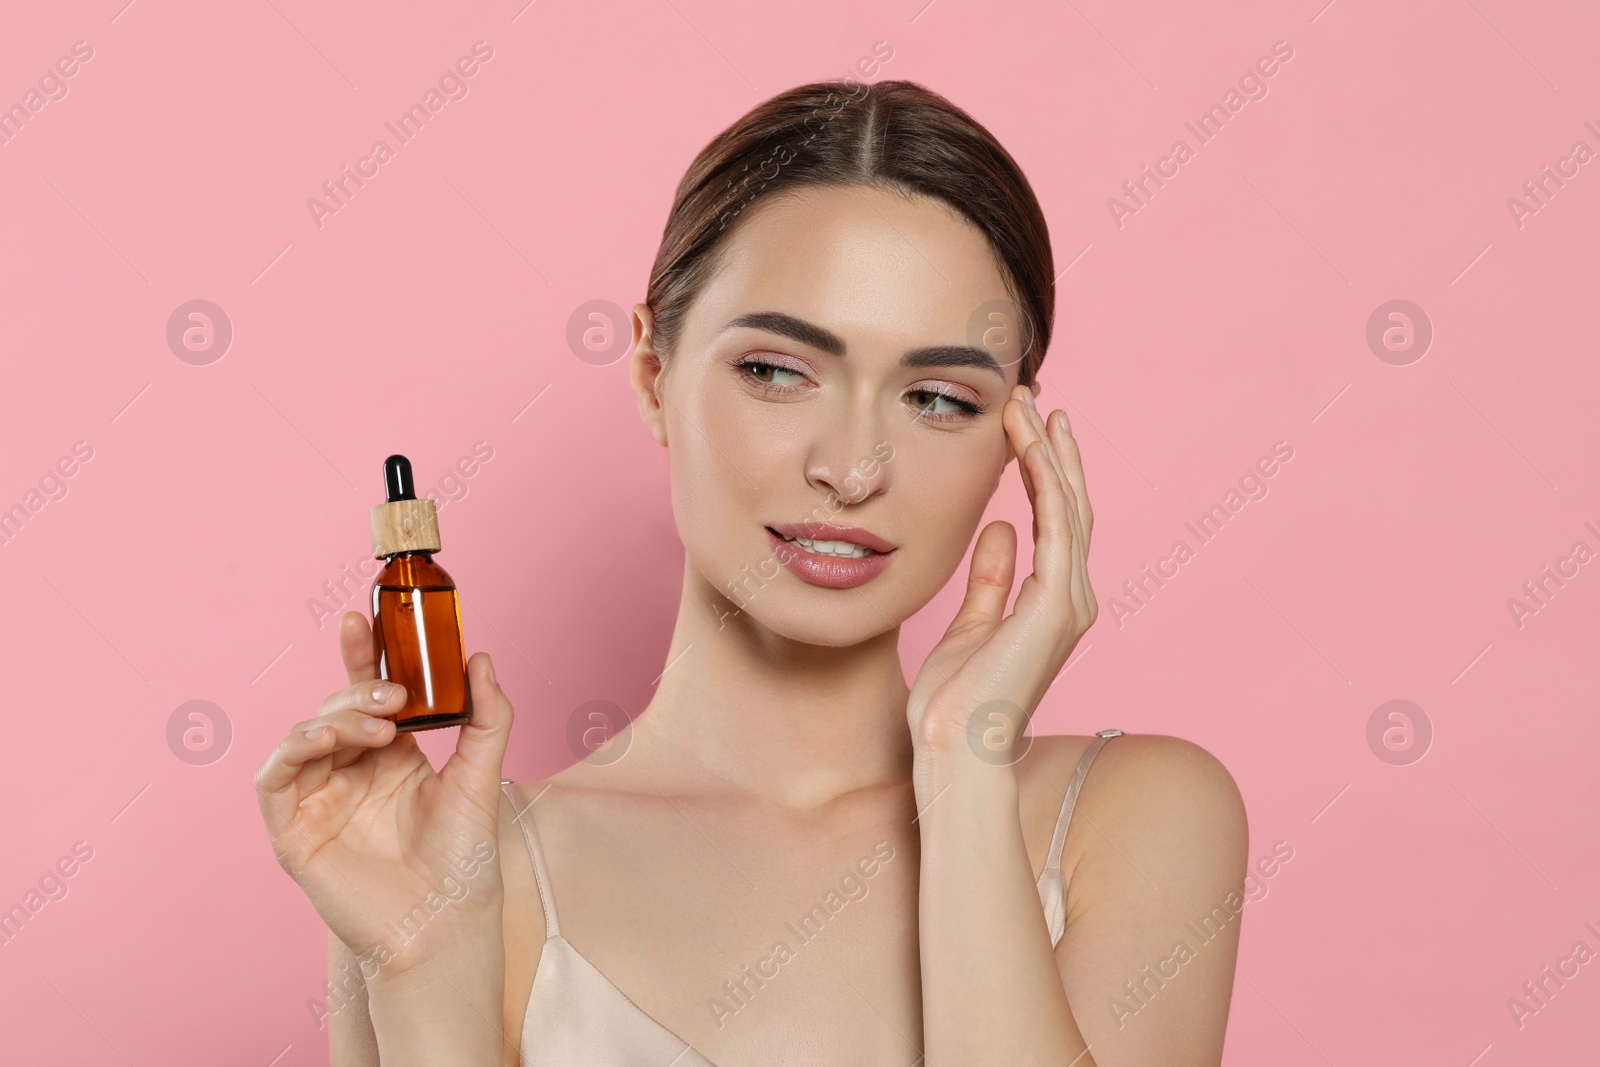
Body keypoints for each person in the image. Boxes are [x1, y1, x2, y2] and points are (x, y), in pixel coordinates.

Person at [256, 78, 1247, 1066]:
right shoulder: (463, 867)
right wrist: (420, 966)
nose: (851, 466)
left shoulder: (1135, 814)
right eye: (776, 370)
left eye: (938, 396)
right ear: (654, 375)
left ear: (1015, 437)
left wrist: (964, 765)